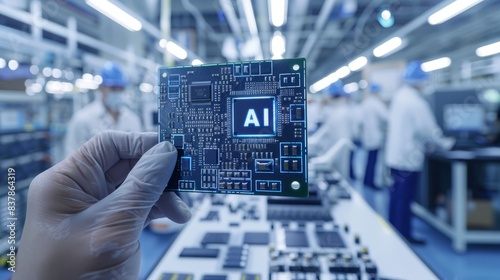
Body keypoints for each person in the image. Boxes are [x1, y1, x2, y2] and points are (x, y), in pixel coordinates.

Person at [14, 131, 191, 279]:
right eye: (112, 87)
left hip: (115, 181)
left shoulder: (130, 116)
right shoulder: (83, 119)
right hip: (101, 187)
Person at [385, 61, 455, 244]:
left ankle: (394, 231)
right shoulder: (416, 102)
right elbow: (428, 131)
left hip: (394, 156)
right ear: (418, 81)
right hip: (408, 158)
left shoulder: (399, 97)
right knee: (404, 199)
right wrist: (446, 144)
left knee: (395, 196)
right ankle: (403, 236)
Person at [65, 62, 142, 155]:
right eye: (113, 88)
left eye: (121, 88)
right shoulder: (82, 120)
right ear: (101, 88)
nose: (118, 92)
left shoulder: (133, 120)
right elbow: (71, 161)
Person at [309, 80, 353, 178]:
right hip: (332, 153)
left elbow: (342, 141)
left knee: (339, 177)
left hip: (338, 156)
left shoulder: (341, 113)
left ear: (331, 96)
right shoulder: (335, 111)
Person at [360, 83, 388, 215]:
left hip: (367, 135)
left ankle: (367, 180)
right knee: (373, 160)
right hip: (375, 135)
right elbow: (386, 117)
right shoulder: (377, 103)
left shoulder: (366, 103)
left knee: (369, 159)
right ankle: (370, 182)